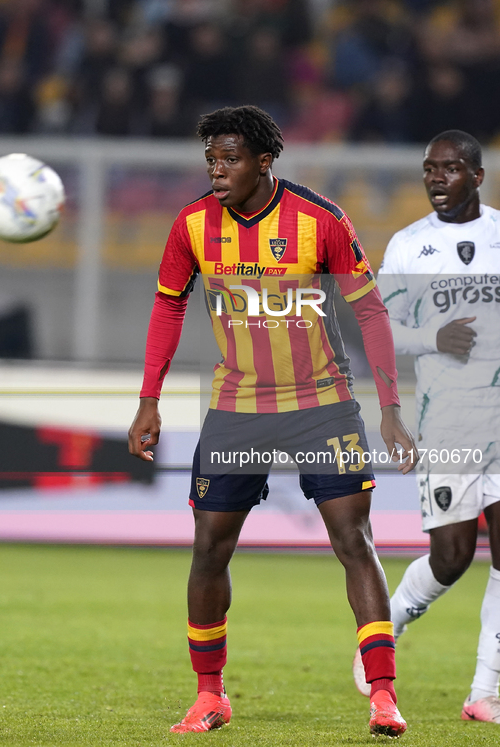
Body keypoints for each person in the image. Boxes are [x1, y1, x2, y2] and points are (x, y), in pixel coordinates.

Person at [128, 105, 417, 738]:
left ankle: (384, 696)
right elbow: (168, 309)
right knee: (210, 547)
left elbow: (371, 314)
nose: (217, 171)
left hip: (321, 404)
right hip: (238, 408)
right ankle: (210, 696)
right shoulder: (192, 226)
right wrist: (149, 400)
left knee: (353, 541)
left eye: (230, 159)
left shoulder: (320, 220)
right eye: (210, 160)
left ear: (265, 161)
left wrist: (390, 409)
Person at [353, 129, 500, 725]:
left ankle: (485, 689)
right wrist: (433, 339)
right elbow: (379, 335)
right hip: (447, 423)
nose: (436, 178)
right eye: (429, 169)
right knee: (452, 555)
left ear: (477, 175)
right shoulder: (410, 247)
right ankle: (386, 627)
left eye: (450, 169)